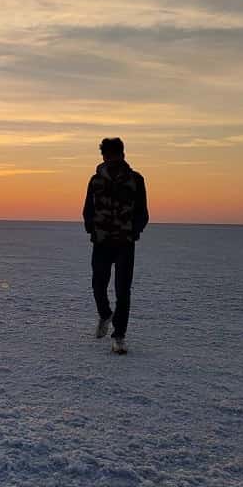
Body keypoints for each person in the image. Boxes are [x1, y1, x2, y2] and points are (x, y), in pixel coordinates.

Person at [82, 137, 149, 354]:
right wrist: (91, 228)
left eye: (111, 155)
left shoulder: (135, 180)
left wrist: (133, 231)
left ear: (121, 154)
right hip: (101, 242)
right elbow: (88, 209)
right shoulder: (95, 181)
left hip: (124, 244)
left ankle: (119, 336)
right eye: (105, 155)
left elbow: (142, 212)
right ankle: (104, 314)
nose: (108, 159)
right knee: (98, 286)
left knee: (123, 290)